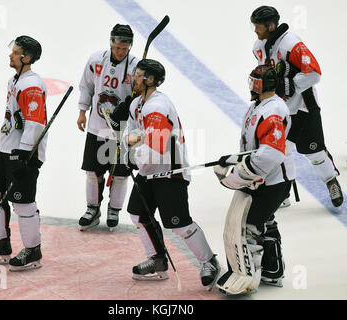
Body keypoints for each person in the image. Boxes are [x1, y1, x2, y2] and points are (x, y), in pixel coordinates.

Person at [124, 58, 220, 288]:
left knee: (178, 223)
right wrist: (131, 150)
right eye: (135, 73)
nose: (133, 78)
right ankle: (157, 260)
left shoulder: (156, 107)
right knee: (138, 215)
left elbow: (154, 148)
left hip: (170, 173)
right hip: (149, 172)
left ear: (150, 81)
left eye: (138, 75)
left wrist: (133, 156)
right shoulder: (137, 104)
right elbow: (132, 136)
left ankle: (209, 262)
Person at [214, 64, 295, 295]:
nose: (250, 86)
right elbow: (255, 147)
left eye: (253, 82)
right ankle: (273, 270)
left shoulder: (272, 111)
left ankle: (250, 279)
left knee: (249, 226)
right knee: (264, 221)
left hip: (274, 181)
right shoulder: (257, 107)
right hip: (264, 179)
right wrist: (236, 158)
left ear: (261, 85)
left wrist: (239, 176)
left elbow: (271, 154)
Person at [250, 5, 343, 208]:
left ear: (271, 26)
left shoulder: (292, 44)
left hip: (303, 106)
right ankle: (281, 191)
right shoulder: (258, 46)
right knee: (279, 151)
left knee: (314, 151)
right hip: (278, 108)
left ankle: (330, 180)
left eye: (258, 26)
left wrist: (291, 84)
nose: (256, 30)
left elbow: (315, 73)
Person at [0, 36, 47, 271]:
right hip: (5, 148)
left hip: (23, 154)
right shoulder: (14, 80)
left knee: (23, 204)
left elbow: (36, 123)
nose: (11, 55)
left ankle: (33, 250)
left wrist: (24, 153)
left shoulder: (32, 86)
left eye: (15, 52)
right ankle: (2, 244)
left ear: (26, 58)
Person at [77, 24, 139, 231]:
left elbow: (143, 97)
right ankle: (92, 209)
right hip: (97, 126)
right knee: (93, 172)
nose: (121, 52)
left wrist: (135, 98)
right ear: (111, 42)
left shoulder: (136, 67)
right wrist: (82, 111)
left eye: (125, 48)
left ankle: (114, 210)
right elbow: (86, 86)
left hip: (123, 131)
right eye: (118, 47)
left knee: (120, 174)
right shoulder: (96, 60)